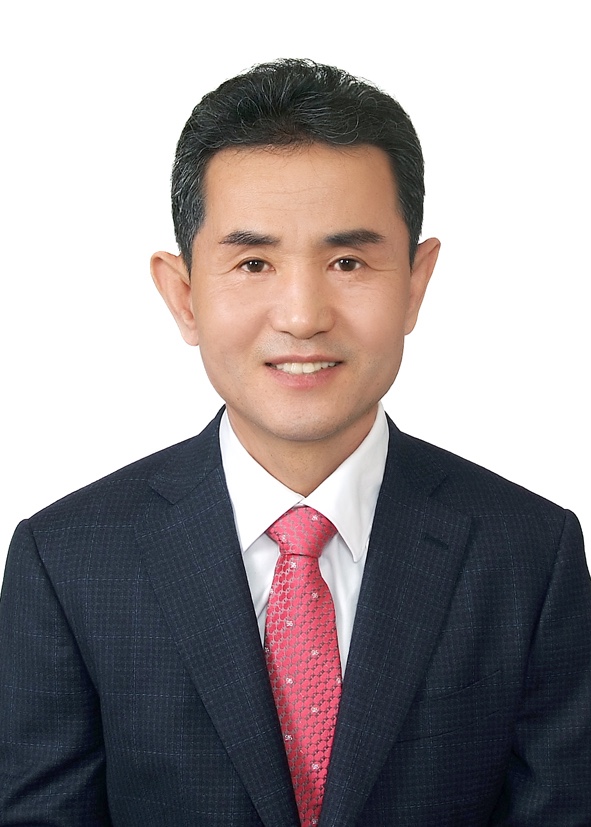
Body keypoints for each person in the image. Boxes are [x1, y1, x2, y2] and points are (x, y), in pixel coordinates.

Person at [0, 58, 589, 827]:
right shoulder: (67, 560)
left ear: (415, 283)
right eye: (253, 262)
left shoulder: (530, 553)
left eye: (347, 261)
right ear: (184, 294)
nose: (303, 314)